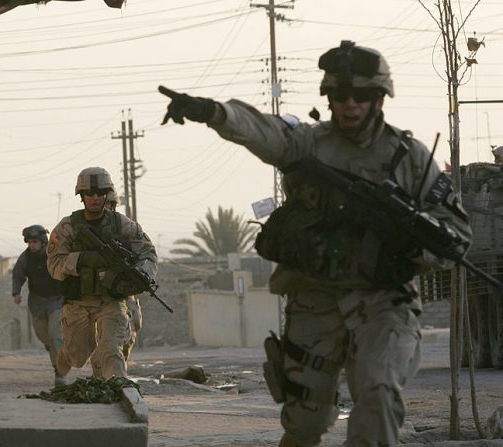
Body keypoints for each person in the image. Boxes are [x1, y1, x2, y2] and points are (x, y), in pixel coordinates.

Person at [159, 40, 472, 447]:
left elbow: (456, 237)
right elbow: (265, 132)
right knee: (305, 422)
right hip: (315, 299)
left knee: (378, 398)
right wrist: (214, 113)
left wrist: (409, 241)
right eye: (339, 96)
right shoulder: (308, 144)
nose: (350, 105)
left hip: (383, 302)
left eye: (361, 96)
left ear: (380, 98)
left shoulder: (409, 158)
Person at [47, 167, 157, 379]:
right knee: (76, 356)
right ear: (82, 196)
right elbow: (54, 264)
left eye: (100, 193)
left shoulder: (121, 224)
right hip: (78, 302)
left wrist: (143, 273)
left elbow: (147, 251)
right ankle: (61, 368)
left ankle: (117, 388)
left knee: (111, 350)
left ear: (107, 194)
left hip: (111, 301)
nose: (95, 198)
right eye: (90, 194)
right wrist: (82, 259)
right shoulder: (67, 227)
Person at [12, 224, 65, 385]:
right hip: (37, 301)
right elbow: (18, 275)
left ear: (43, 241)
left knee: (55, 335)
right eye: (29, 242)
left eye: (35, 242)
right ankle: (54, 350)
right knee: (44, 336)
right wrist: (16, 293)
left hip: (56, 300)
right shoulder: (26, 257)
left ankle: (60, 372)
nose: (32, 245)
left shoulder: (55, 254)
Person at [103, 192, 142, 363]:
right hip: (104, 293)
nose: (109, 209)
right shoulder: (90, 229)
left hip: (126, 289)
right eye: (106, 205)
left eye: (112, 205)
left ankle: (120, 364)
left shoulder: (124, 227)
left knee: (135, 325)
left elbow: (140, 251)